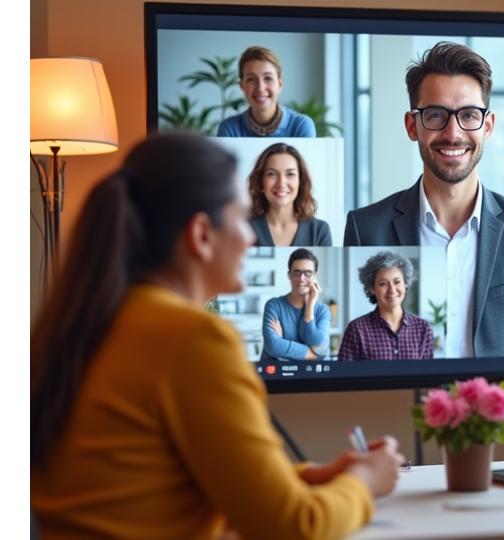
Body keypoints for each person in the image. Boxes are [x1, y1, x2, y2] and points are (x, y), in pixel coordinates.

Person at [30, 133, 404, 539]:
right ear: (202, 235)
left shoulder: (87, 321)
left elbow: (197, 479)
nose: (249, 237)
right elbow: (296, 525)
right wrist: (366, 482)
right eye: (240, 220)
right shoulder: (192, 339)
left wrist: (325, 473)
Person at [343, 41, 504, 359]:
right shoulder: (365, 228)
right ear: (411, 126)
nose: (453, 133)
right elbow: (354, 359)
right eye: (435, 115)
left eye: (469, 115)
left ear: (488, 125)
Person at [339, 251, 433, 361]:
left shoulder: (423, 328)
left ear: (405, 284)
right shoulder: (357, 329)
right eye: (383, 284)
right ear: (372, 288)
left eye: (397, 282)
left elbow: (428, 376)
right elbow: (345, 376)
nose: (392, 290)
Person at [217, 46, 316, 137]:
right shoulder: (229, 129)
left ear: (280, 85)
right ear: (242, 86)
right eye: (251, 79)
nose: (260, 88)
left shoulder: (300, 126)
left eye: (268, 78)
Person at [247, 142, 332, 246]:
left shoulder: (319, 230)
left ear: (300, 181)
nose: (281, 183)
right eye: (272, 174)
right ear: (261, 181)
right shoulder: (244, 229)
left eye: (290, 174)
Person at [261, 248, 331, 361]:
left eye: (308, 273)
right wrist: (312, 355)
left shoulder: (323, 310)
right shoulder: (273, 305)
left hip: (311, 375)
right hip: (277, 375)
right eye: (297, 273)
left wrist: (309, 311)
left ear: (315, 276)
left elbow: (321, 349)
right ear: (289, 275)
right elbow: (273, 345)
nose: (302, 279)